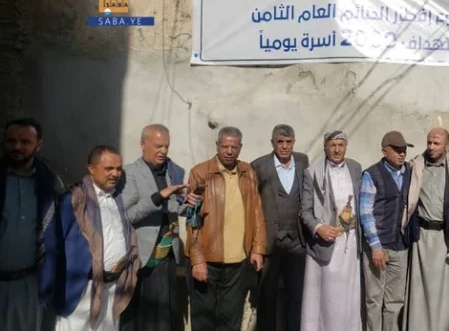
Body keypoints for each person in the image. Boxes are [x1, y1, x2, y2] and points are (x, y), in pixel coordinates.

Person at [185, 126, 265, 331]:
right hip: (207, 261)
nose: (229, 151)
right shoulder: (200, 172)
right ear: (217, 146)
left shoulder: (248, 172)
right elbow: (192, 221)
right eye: (225, 146)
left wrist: (257, 248)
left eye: (234, 147)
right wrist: (197, 259)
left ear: (240, 148)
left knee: (231, 320)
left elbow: (256, 211)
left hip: (238, 261)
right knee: (204, 321)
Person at [56, 145, 140, 331]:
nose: (115, 174)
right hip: (81, 289)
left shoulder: (118, 198)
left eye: (118, 169)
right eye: (109, 168)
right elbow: (57, 244)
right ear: (91, 169)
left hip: (113, 287)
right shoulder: (74, 200)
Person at [121, 124, 189, 331]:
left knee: (164, 317)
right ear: (143, 144)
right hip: (142, 257)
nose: (164, 151)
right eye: (158, 146)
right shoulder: (130, 173)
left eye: (166, 146)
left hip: (167, 255)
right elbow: (127, 215)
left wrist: (191, 204)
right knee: (141, 318)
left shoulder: (173, 171)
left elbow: (174, 207)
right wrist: (158, 197)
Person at [403, 128, 449, 331]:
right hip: (422, 238)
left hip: (448, 238)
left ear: (447, 145)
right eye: (429, 142)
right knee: (420, 289)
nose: (431, 147)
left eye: (436, 143)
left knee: (448, 291)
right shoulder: (416, 165)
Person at [0, 118, 65, 331]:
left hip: (29, 284)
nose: (17, 147)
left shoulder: (51, 184)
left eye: (25, 142)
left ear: (38, 145)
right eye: (11, 141)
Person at [300, 130, 364, 331]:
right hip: (327, 243)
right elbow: (305, 211)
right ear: (325, 147)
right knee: (329, 297)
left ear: (346, 147)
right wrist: (319, 228)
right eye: (332, 145)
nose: (337, 150)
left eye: (340, 145)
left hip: (351, 242)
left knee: (349, 294)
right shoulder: (312, 172)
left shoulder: (355, 168)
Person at [251, 124, 309, 331]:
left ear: (294, 142)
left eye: (288, 142)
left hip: (297, 243)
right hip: (270, 243)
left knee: (296, 296)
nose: (284, 146)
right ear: (272, 143)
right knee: (267, 296)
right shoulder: (259, 166)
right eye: (280, 142)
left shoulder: (302, 161)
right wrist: (256, 246)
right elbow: (253, 207)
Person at [360, 131, 415, 331]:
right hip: (378, 246)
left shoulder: (410, 172)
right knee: (374, 299)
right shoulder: (372, 174)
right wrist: (375, 247)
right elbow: (365, 213)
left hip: (400, 246)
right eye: (397, 149)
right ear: (385, 151)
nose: (402, 154)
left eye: (404, 150)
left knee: (395, 301)